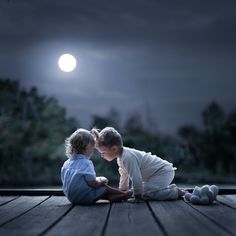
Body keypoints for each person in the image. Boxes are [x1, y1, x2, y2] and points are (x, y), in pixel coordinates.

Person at [92, 127, 186, 203]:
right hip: (155, 175)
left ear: (114, 149)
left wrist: (137, 196)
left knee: (145, 193)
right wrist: (122, 191)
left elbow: (136, 177)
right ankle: (168, 189)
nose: (102, 155)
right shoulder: (121, 158)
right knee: (139, 190)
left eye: (103, 152)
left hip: (163, 172)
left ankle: (175, 193)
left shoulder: (128, 157)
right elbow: (124, 176)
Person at [61, 128, 132, 205]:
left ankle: (115, 197)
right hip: (82, 197)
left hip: (71, 197)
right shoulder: (86, 163)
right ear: (87, 149)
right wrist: (101, 183)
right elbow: (93, 184)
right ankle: (123, 193)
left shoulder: (66, 163)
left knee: (102, 183)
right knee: (104, 187)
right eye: (92, 148)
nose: (92, 151)